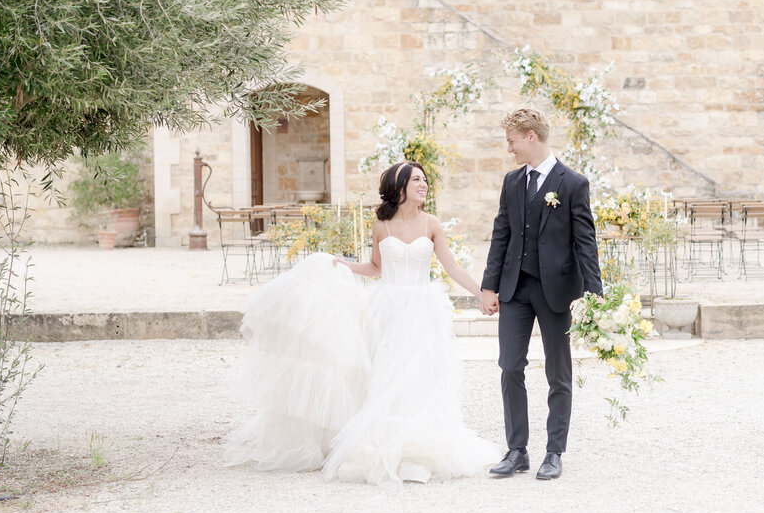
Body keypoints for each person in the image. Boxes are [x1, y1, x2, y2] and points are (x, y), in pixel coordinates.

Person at [225, 161, 499, 488]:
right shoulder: (381, 225)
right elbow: (375, 267)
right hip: (389, 308)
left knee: (423, 372)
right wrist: (341, 266)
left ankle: (422, 440)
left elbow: (452, 267)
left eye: (424, 180)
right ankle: (385, 440)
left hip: (424, 308)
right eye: (416, 180)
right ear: (399, 187)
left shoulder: (432, 224)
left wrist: (483, 294)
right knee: (387, 373)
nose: (423, 185)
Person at [479, 108, 602, 481]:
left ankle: (554, 452)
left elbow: (586, 242)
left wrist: (594, 295)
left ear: (531, 136)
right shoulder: (512, 182)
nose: (509, 148)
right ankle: (517, 450)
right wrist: (489, 285)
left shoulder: (573, 183)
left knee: (557, 371)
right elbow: (501, 235)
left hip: (557, 291)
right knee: (510, 366)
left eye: (512, 141)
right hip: (515, 288)